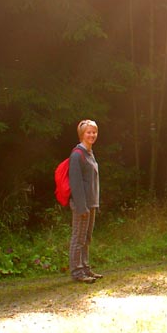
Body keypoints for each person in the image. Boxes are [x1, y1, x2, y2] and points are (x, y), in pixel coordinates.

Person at [68, 119, 102, 283]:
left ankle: (86, 268)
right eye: (89, 132)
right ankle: (77, 272)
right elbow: (75, 183)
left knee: (87, 238)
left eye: (94, 132)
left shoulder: (90, 152)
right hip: (82, 205)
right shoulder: (77, 154)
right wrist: (82, 207)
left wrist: (94, 203)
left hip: (91, 203)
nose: (92, 135)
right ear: (82, 134)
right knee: (78, 238)